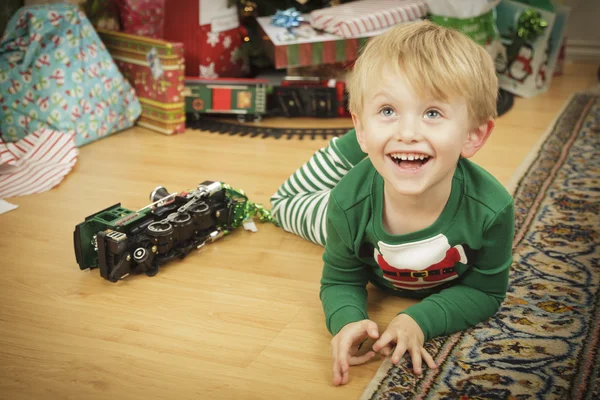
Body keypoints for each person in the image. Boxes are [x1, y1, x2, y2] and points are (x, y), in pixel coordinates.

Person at [270, 20, 514, 387]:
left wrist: (418, 319)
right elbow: (340, 278)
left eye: (432, 113)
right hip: (349, 207)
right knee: (283, 204)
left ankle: (369, 136)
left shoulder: (492, 209)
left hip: (377, 173)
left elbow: (485, 291)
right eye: (388, 110)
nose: (409, 133)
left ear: (473, 136)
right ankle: (351, 146)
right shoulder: (346, 205)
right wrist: (347, 320)